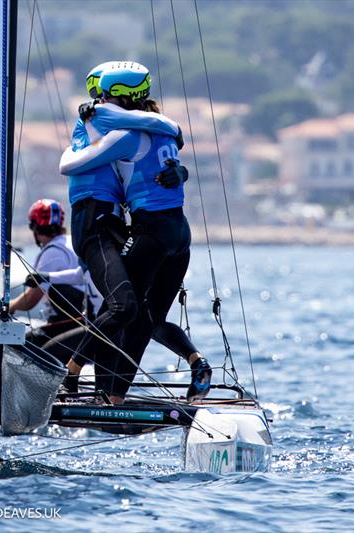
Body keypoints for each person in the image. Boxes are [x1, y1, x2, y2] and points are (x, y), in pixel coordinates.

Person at [60, 61, 211, 404]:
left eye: (101, 96)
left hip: (141, 230)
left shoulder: (122, 134)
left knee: (127, 310)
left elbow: (68, 164)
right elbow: (171, 150)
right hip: (179, 233)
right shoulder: (164, 134)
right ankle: (189, 364)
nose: (96, 102)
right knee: (145, 318)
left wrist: (76, 145)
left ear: (119, 98)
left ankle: (84, 378)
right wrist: (181, 170)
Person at [9, 199, 86, 347]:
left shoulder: (51, 252)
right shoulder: (71, 242)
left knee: (21, 346)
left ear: (34, 227)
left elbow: (30, 300)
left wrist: (10, 305)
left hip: (68, 327)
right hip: (84, 321)